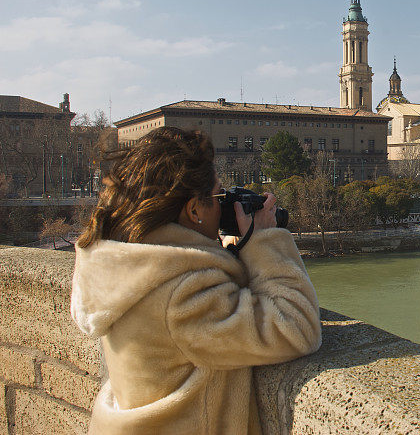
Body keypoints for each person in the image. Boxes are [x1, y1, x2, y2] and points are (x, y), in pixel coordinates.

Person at [70, 127, 321, 434]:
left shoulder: (128, 268)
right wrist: (266, 240)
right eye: (218, 196)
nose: (224, 205)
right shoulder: (180, 293)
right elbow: (298, 327)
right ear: (193, 209)